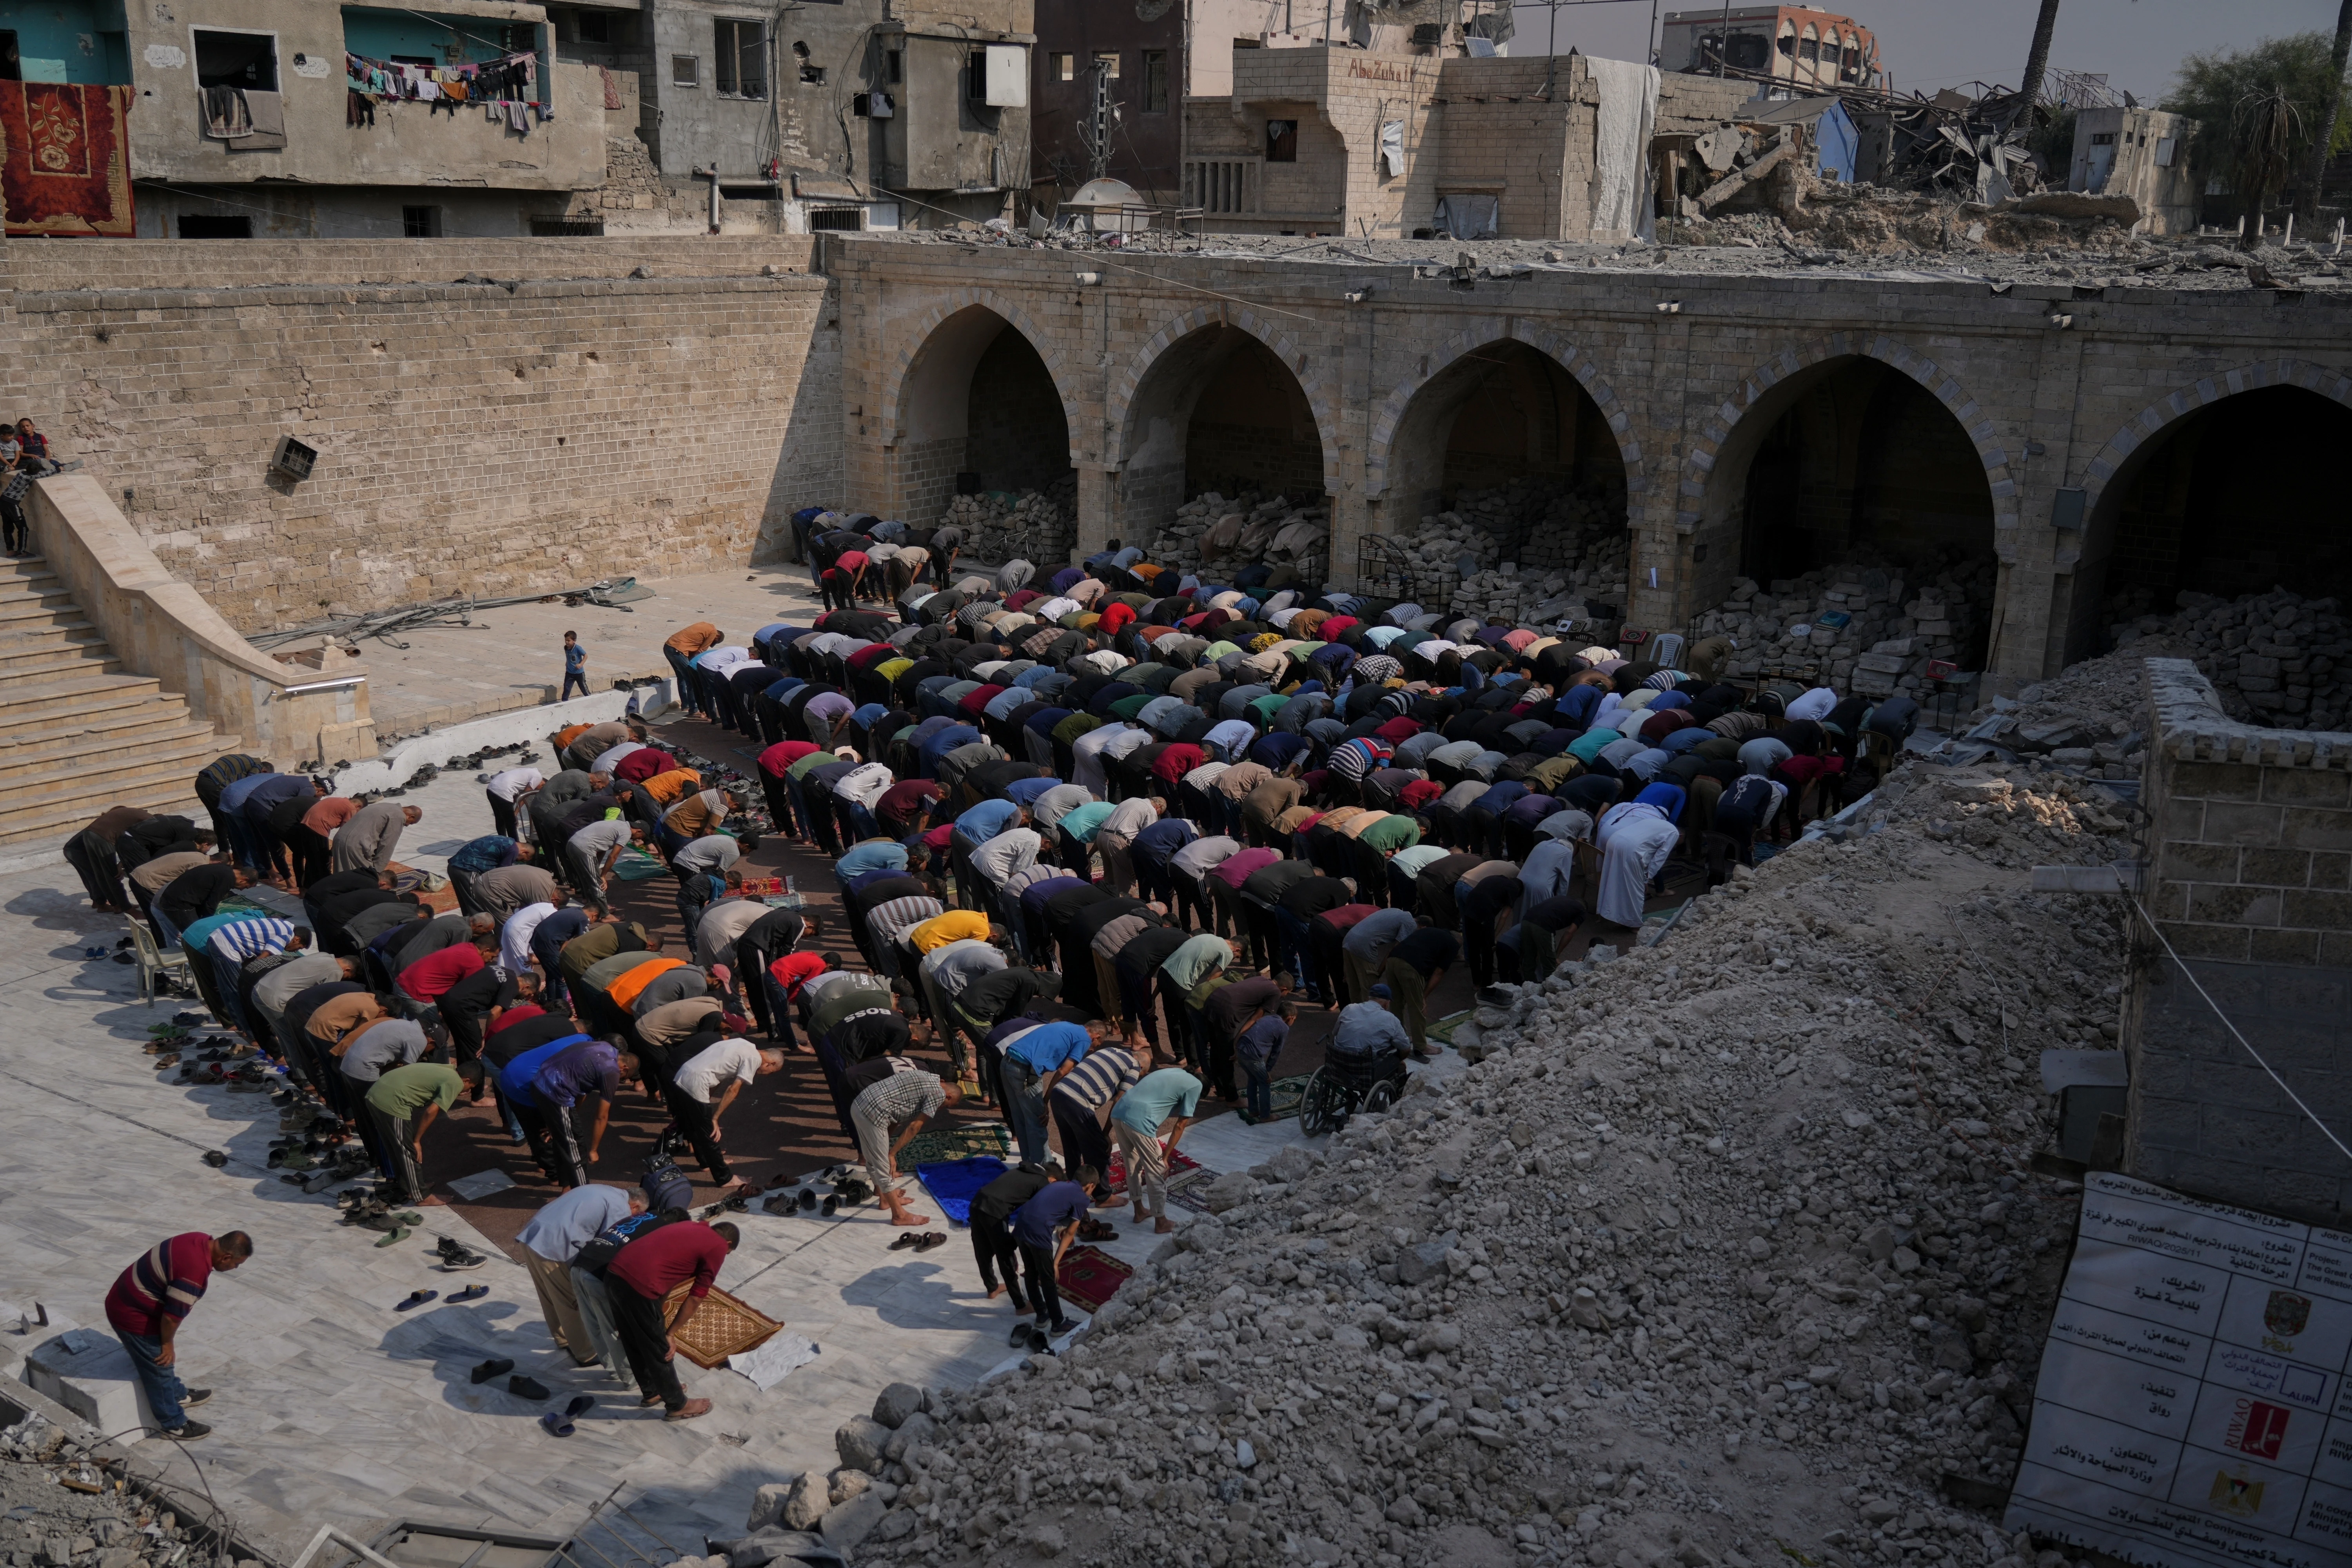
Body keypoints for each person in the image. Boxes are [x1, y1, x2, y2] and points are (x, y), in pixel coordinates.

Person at [104, 1230, 252, 1441]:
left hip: (128, 1297)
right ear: (226, 1257)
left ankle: (178, 1395)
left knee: (162, 1364)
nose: (234, 1269)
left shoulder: (199, 1239)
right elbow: (172, 1318)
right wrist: (167, 1344)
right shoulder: (194, 1272)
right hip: (131, 1314)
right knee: (160, 1365)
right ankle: (173, 1424)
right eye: (236, 1264)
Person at [603, 1217, 740, 1422]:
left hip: (615, 1273)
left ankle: (652, 1391)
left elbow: (667, 1277)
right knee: (660, 1349)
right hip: (639, 1285)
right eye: (728, 1254)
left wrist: (659, 1318)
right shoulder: (718, 1245)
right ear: (728, 1244)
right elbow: (696, 1297)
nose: (724, 1256)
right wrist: (671, 1334)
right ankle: (678, 1405)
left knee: (633, 1338)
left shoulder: (691, 1227)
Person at [517, 1183, 638, 1367]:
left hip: (532, 1235)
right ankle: (585, 1353)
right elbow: (611, 1243)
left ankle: (563, 1338)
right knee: (571, 1302)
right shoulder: (620, 1206)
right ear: (635, 1206)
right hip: (553, 1247)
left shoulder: (604, 1189)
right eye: (635, 1216)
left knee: (550, 1296)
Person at [664, 1035, 783, 1197]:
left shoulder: (743, 1044)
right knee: (710, 1133)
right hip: (697, 1081)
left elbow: (718, 1074)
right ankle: (724, 1178)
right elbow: (733, 1090)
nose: (766, 1074)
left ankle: (707, 1162)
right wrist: (715, 1118)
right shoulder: (754, 1059)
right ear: (772, 1063)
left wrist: (706, 1101)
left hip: (683, 1074)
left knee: (692, 1123)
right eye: (771, 1072)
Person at [849, 1064, 962, 1227]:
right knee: (884, 1167)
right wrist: (892, 1154)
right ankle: (899, 1216)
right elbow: (914, 1127)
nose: (941, 1108)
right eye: (946, 1106)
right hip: (874, 1115)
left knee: (873, 1158)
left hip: (860, 1105)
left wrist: (885, 1147)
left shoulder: (926, 1076)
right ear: (949, 1096)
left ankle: (883, 1197)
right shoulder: (938, 1094)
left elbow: (897, 1117)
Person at [1109, 1065, 1201, 1234]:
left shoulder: (1174, 1071)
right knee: (1157, 1171)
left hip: (1118, 1112)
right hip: (1139, 1119)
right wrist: (1165, 1157)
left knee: (1132, 1165)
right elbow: (1180, 1125)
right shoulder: (1196, 1086)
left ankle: (1139, 1212)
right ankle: (1161, 1222)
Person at [365, 1060, 464, 1206]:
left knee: (395, 1148)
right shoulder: (456, 1081)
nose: (465, 1092)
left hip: (375, 1094)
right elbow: (431, 1111)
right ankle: (422, 1196)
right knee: (408, 1151)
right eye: (469, 1088)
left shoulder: (446, 1068)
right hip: (392, 1102)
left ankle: (411, 1186)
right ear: (467, 1080)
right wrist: (417, 1140)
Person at [969, 1159, 1062, 1310]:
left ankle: (992, 1288)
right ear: (1053, 1180)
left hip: (977, 1202)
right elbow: (1036, 1216)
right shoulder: (1043, 1182)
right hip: (995, 1211)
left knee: (982, 1250)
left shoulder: (1025, 1171)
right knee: (1005, 1257)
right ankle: (1021, 1305)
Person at [1007, 1176, 1092, 1338]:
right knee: (1048, 1278)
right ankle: (1058, 1323)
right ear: (1091, 1185)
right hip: (1038, 1233)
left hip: (1021, 1226)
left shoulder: (1059, 1184)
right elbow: (1069, 1233)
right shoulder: (1082, 1198)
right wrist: (1056, 1263)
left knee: (1031, 1271)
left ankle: (1041, 1314)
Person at [1235, 998, 1296, 1123]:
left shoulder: (1268, 1018)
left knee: (1253, 1079)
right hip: (1253, 1055)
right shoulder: (1284, 1027)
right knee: (1265, 1083)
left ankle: (1253, 1110)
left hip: (1241, 1050)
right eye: (1294, 1019)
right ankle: (1265, 1115)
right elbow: (1276, 1052)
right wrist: (1268, 1070)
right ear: (1290, 1017)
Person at [333, 801, 421, 875]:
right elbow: (387, 846)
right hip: (356, 846)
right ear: (411, 817)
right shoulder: (399, 816)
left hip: (339, 840)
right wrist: (377, 872)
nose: (407, 825)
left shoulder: (386, 806)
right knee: (364, 879)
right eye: (411, 823)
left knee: (341, 877)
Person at [562, 630, 590, 701]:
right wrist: (567, 663)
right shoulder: (566, 648)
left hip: (579, 673)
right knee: (567, 686)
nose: (567, 642)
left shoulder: (578, 648)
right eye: (566, 640)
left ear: (574, 641)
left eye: (569, 640)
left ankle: (589, 697)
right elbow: (569, 657)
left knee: (583, 686)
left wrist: (581, 664)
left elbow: (586, 656)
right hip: (569, 672)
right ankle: (564, 701)